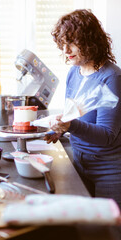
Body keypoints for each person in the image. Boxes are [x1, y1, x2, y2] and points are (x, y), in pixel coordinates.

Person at [44, 9, 121, 209]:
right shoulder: (74, 73)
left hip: (109, 170)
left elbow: (107, 135)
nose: (66, 50)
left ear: (90, 41)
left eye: (72, 42)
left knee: (108, 233)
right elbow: (73, 116)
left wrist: (69, 126)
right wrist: (57, 130)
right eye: (62, 43)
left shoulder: (111, 77)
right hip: (78, 163)